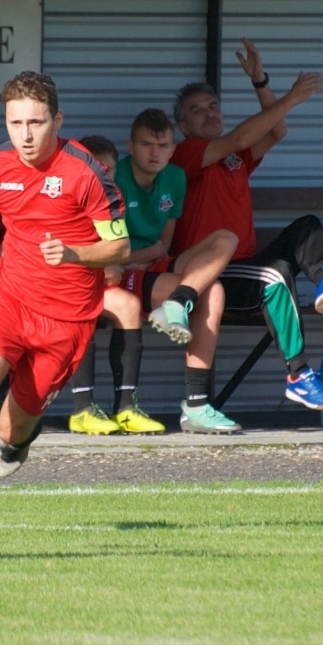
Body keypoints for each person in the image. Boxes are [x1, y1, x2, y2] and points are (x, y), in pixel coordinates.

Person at [0, 71, 128, 535]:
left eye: (36, 122)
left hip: (67, 318)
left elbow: (120, 248)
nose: (25, 135)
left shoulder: (88, 172)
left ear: (57, 119)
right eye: (16, 123)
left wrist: (75, 254)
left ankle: (16, 445)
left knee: (12, 429)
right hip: (9, 296)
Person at [169, 40, 323, 412]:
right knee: (274, 276)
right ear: (183, 126)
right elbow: (241, 136)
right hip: (215, 275)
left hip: (245, 265)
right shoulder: (185, 154)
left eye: (213, 107)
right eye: (197, 111)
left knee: (305, 228)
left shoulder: (235, 157)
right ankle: (298, 375)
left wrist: (260, 82)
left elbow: (275, 131)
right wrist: (291, 97)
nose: (209, 115)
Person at [112, 111, 243, 434]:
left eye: (162, 145)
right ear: (131, 146)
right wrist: (142, 255)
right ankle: (197, 404)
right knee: (214, 292)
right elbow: (114, 251)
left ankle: (177, 303)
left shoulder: (175, 178)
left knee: (227, 238)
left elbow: (165, 244)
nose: (154, 152)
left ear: (173, 149)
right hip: (122, 272)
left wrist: (152, 254)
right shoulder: (116, 177)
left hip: (153, 263)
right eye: (146, 144)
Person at [61, 135, 173, 436]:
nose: (102, 177)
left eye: (108, 171)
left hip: (96, 281)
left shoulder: (112, 204)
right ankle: (82, 408)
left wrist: (113, 265)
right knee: (84, 305)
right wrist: (103, 266)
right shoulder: (63, 200)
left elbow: (118, 251)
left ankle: (125, 407)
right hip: (61, 285)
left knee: (129, 305)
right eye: (97, 170)